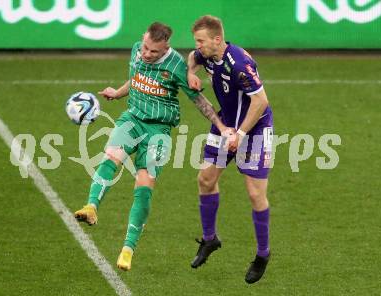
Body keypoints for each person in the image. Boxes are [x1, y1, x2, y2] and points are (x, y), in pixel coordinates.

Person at [74, 22, 232, 271]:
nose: (146, 54)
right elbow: (135, 80)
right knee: (110, 158)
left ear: (166, 47)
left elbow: (198, 100)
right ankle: (91, 206)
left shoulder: (177, 66)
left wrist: (221, 127)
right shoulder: (137, 49)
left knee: (144, 184)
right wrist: (117, 93)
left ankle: (128, 248)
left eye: (153, 52)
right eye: (145, 48)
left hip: (158, 130)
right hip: (132, 118)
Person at [187, 15, 274, 284]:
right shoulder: (207, 54)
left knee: (255, 194)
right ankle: (210, 239)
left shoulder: (239, 64)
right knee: (205, 179)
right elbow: (192, 57)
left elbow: (260, 102)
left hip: (254, 128)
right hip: (226, 124)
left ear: (216, 39)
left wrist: (241, 133)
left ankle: (263, 254)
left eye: (201, 41)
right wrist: (190, 72)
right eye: (196, 42)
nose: (197, 46)